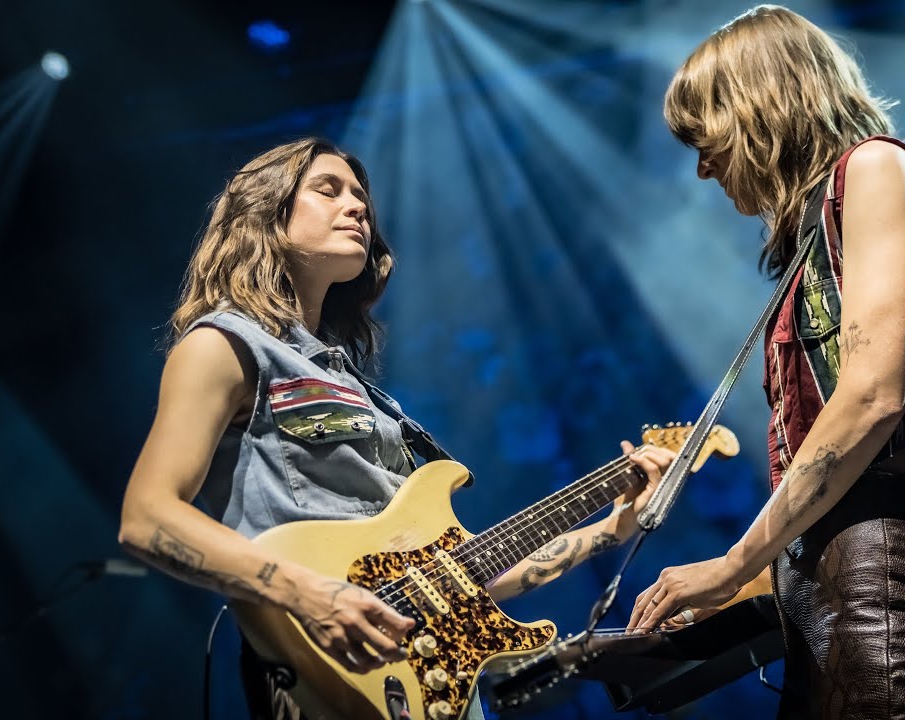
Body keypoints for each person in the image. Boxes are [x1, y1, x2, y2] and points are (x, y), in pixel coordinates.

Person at [117, 137, 676, 720]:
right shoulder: (223, 345)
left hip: (426, 687)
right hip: (321, 671)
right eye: (328, 190)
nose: (358, 206)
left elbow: (453, 583)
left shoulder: (358, 387)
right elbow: (147, 515)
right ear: (267, 217)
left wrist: (613, 527)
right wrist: (312, 594)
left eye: (360, 195)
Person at [626, 6, 905, 718]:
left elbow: (869, 401)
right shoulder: (815, 239)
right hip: (827, 590)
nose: (703, 169)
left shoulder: (875, 166)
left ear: (763, 107)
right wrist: (741, 586)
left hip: (888, 580)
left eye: (707, 140)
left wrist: (734, 561)